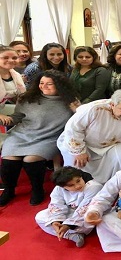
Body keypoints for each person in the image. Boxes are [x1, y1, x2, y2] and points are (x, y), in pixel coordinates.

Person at [0, 70, 79, 206]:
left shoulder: (69, 101)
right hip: (22, 134)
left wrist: (76, 109)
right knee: (9, 159)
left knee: (31, 159)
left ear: (60, 85)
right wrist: (7, 119)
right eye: (41, 83)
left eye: (49, 84)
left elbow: (80, 118)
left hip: (49, 136)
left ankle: (37, 189)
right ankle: (9, 190)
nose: (44, 86)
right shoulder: (27, 98)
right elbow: (18, 117)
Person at [34, 167, 103, 248]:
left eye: (78, 181)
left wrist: (68, 225)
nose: (77, 186)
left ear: (81, 176)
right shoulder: (58, 189)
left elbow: (85, 208)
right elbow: (56, 205)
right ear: (63, 187)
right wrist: (56, 221)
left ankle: (71, 232)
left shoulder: (93, 186)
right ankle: (72, 235)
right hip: (70, 212)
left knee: (90, 219)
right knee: (40, 217)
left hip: (86, 214)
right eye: (71, 185)